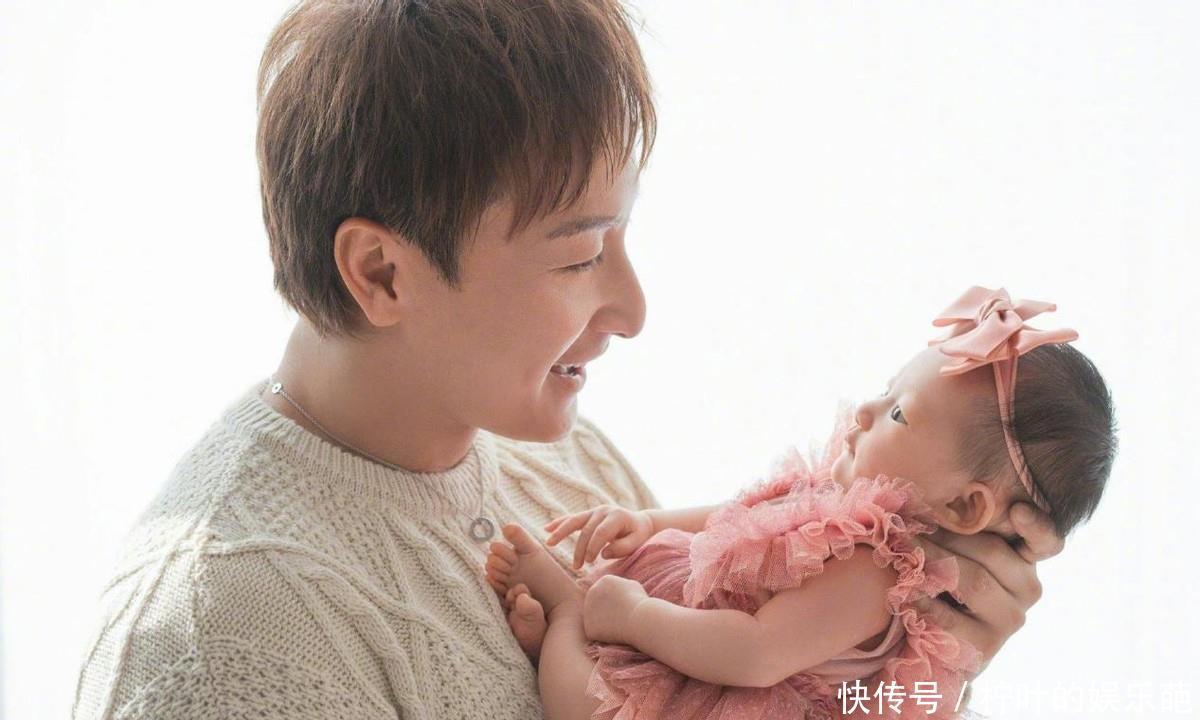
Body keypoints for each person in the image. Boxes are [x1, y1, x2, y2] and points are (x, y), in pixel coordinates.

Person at [69, 2, 1064, 718]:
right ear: (380, 272)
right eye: (581, 255)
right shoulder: (229, 639)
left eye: (622, 236)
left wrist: (912, 674)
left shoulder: (570, 466)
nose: (633, 310)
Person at [485, 287, 1115, 720]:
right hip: (686, 630)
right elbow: (737, 515)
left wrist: (634, 617)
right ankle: (577, 608)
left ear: (965, 508)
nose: (865, 411)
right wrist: (648, 521)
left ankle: (567, 619)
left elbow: (756, 654)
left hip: (712, 678)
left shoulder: (875, 573)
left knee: (584, 707)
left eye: (899, 413)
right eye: (886, 389)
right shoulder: (839, 501)